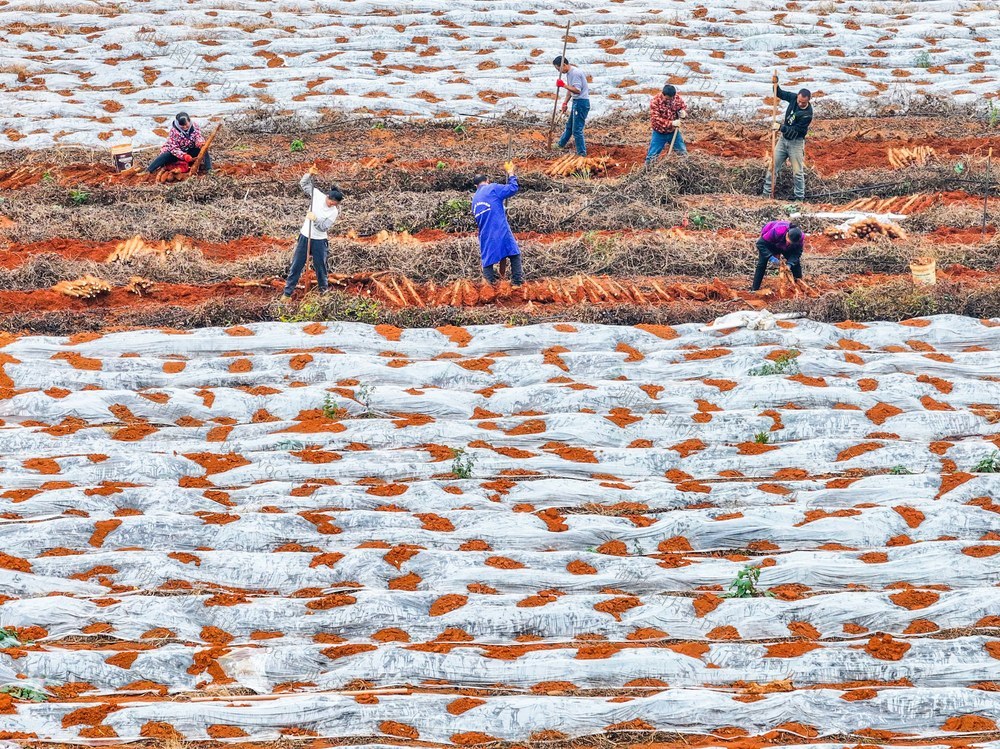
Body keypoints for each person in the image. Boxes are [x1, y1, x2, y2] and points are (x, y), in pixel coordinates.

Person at [282, 166, 343, 299]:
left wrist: (315, 219)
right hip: (305, 236)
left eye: (334, 204)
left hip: (319, 240)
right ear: (328, 196)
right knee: (296, 265)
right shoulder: (318, 196)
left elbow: (323, 227)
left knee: (320, 267)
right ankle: (287, 294)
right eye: (331, 201)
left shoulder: (334, 212)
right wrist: (308, 174)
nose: (331, 204)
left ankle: (323, 292)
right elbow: (303, 184)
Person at [472, 161, 523, 286]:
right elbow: (513, 188)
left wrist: (500, 209)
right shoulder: (492, 188)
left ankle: (488, 283)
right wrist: (511, 173)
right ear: (487, 181)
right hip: (499, 227)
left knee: (488, 258)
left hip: (485, 231)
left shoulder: (474, 199)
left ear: (476, 186)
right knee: (513, 252)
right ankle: (517, 282)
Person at [762, 76, 813, 200]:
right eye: (799, 101)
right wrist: (775, 83)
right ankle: (766, 194)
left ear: (808, 101)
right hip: (783, 140)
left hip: (796, 143)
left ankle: (799, 198)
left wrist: (781, 127)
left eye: (803, 103)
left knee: (797, 172)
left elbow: (795, 132)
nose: (800, 104)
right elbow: (779, 93)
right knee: (773, 166)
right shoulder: (794, 98)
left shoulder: (807, 115)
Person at [147, 112, 212, 174]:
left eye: (186, 125)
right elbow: (173, 148)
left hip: (189, 150)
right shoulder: (174, 131)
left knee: (203, 149)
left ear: (189, 121)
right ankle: (148, 170)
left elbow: (198, 136)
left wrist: (200, 143)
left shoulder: (195, 126)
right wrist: (184, 156)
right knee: (165, 155)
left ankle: (209, 170)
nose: (184, 127)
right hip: (176, 154)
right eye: (182, 126)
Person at [752, 220, 805, 291]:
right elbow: (760, 244)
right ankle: (754, 289)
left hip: (785, 247)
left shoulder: (800, 238)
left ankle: (799, 286)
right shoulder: (777, 231)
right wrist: (771, 257)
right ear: (787, 235)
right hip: (770, 243)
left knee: (796, 264)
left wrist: (790, 264)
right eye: (788, 241)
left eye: (791, 243)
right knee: (761, 264)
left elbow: (797, 253)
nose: (788, 243)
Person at [553, 56, 590, 157]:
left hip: (581, 103)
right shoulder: (569, 73)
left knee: (577, 130)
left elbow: (577, 90)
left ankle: (582, 153)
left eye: (558, 69)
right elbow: (570, 90)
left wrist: (563, 85)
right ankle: (561, 144)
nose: (559, 72)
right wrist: (565, 103)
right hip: (576, 101)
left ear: (564, 65)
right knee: (569, 126)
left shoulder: (575, 73)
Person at [646, 84, 688, 164]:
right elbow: (656, 119)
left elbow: (682, 106)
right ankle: (647, 171)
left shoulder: (676, 98)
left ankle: (686, 169)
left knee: (683, 153)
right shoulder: (655, 101)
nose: (670, 100)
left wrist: (683, 112)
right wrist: (672, 123)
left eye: (672, 98)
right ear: (663, 94)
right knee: (652, 156)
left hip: (673, 132)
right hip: (659, 133)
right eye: (667, 99)